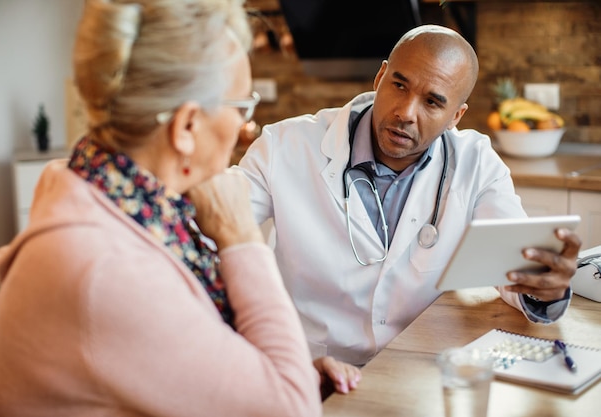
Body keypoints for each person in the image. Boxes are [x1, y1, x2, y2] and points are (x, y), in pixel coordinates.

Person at [0, 1, 323, 416]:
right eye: (241, 108)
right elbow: (292, 410)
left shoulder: (103, 193)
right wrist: (241, 235)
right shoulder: (107, 269)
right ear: (188, 127)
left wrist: (276, 373)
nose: (243, 128)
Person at [237, 24, 581, 373]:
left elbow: (515, 270)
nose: (406, 112)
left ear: (456, 116)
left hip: (417, 371)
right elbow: (207, 229)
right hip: (310, 370)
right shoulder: (283, 146)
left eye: (432, 102)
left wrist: (544, 286)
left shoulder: (477, 165)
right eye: (399, 85)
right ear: (379, 77)